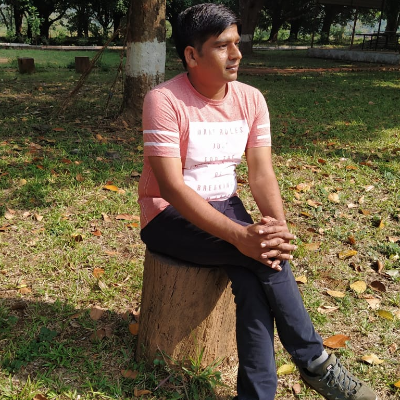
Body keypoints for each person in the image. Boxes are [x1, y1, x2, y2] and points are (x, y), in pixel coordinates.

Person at [138, 3, 377, 400]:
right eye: (222, 46)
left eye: (236, 42)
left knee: (256, 269)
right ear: (192, 55)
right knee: (256, 256)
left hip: (226, 204)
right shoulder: (164, 100)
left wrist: (275, 227)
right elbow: (172, 187)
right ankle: (315, 362)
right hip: (167, 215)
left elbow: (261, 173)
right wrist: (240, 237)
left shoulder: (251, 99)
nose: (236, 54)